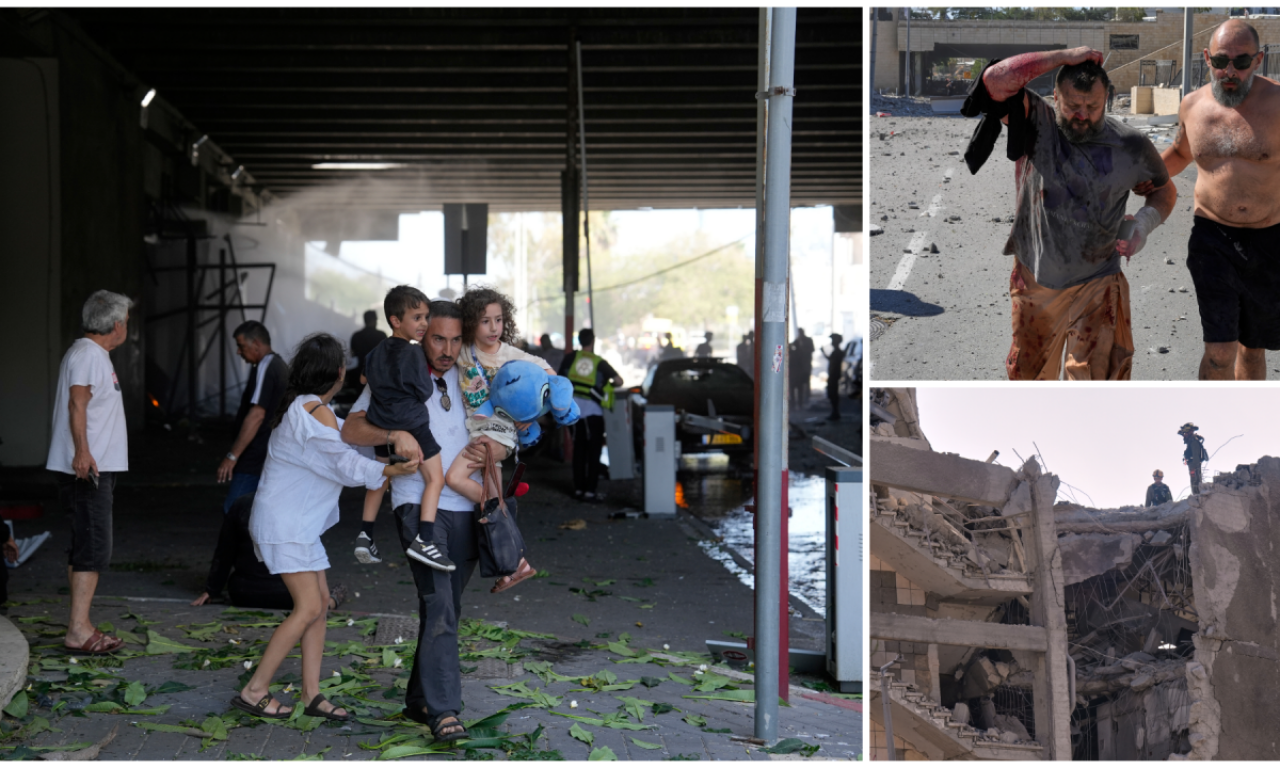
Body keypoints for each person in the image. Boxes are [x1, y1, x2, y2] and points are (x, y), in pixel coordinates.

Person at [342, 299, 508, 742]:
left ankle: (419, 698)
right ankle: (445, 711)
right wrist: (392, 433)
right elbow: (351, 429)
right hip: (418, 505)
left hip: (471, 509)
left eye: (456, 339)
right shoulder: (396, 373)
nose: (447, 349)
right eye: (438, 338)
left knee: (447, 607)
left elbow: (509, 425)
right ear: (421, 333)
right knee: (438, 604)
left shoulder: (474, 376)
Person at [234, 333, 419, 721]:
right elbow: (347, 465)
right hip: (286, 526)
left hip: (296, 526)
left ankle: (311, 694)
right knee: (308, 608)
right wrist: (390, 468)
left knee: (318, 609)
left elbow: (349, 443)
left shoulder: (312, 408)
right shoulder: (313, 414)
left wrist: (381, 430)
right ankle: (255, 690)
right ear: (339, 372)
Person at [963, 48, 1177, 380]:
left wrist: (1143, 226)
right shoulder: (1037, 123)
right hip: (1036, 279)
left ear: (1107, 99)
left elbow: (1163, 191)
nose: (1082, 115)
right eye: (1072, 106)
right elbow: (995, 81)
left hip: (1099, 280)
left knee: (1095, 383)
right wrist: (1064, 56)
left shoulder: (1131, 146)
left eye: (1092, 107)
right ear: (1055, 98)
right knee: (1029, 380)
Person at [1148, 21, 1280, 380]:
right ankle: (1207, 415)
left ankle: (1246, 421)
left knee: (1253, 350)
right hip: (1212, 240)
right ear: (1207, 58)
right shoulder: (1192, 106)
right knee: (1220, 352)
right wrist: (1132, 180)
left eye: (1241, 61)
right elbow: (1179, 153)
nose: (1229, 71)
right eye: (1221, 61)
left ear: (1258, 60)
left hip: (1270, 241)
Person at [451, 285, 556, 591]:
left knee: (455, 478)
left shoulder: (513, 355)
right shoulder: (462, 350)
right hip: (479, 429)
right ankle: (515, 565)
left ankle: (498, 521)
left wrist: (531, 414)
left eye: (498, 320)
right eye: (485, 321)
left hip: (496, 433)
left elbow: (551, 380)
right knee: (495, 497)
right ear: (471, 322)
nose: (494, 328)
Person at [46, 290, 132, 656]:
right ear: (117, 324)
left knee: (85, 544)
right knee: (94, 547)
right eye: (126, 320)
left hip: (91, 466)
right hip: (88, 469)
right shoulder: (87, 355)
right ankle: (78, 630)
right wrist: (82, 452)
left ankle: (79, 624)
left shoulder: (92, 354)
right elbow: (77, 401)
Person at [362, 286, 452, 571]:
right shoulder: (414, 354)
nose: (424, 323)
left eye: (426, 317)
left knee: (380, 477)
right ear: (395, 320)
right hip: (412, 425)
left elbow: (367, 381)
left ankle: (365, 534)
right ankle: (425, 540)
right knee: (436, 479)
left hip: (380, 422)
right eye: (417, 317)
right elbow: (424, 391)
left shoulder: (374, 352)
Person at [192, 492, 348, 610]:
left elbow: (225, 552)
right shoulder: (301, 506)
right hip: (292, 595)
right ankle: (328, 602)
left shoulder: (242, 503)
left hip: (244, 593)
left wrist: (212, 590)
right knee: (333, 589)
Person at [217, 321, 289, 514]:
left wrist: (233, 456)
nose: (238, 352)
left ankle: (238, 545)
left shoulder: (266, 366)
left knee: (235, 509)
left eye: (241, 346)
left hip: (256, 454)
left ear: (256, 344)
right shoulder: (278, 365)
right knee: (258, 511)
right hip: (270, 452)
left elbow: (257, 414)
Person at [558, 328, 624, 501]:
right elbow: (619, 381)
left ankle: (578, 489)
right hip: (594, 413)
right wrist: (604, 384)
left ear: (579, 341)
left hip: (573, 412)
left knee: (578, 449)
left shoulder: (570, 358)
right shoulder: (599, 362)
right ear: (592, 341)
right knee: (593, 452)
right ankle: (590, 490)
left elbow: (559, 380)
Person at [349, 309, 387, 387]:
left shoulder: (356, 336)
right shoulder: (381, 336)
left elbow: (353, 354)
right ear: (374, 320)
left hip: (358, 373)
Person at [1179, 422, 1209, 495]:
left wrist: (1194, 468)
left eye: (1185, 433)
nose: (1184, 436)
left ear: (1189, 432)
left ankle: (1197, 496)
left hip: (1194, 467)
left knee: (1195, 483)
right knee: (1194, 482)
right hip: (1192, 466)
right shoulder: (1191, 442)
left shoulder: (1193, 442)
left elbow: (1196, 458)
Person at [824, 333, 846, 422]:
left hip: (834, 376)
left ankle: (835, 413)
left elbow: (833, 363)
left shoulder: (838, 352)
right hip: (833, 376)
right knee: (832, 394)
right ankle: (835, 413)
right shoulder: (837, 352)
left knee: (833, 395)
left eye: (833, 340)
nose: (832, 342)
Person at [790, 328, 815, 409]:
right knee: (797, 388)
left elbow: (811, 350)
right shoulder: (796, 348)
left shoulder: (807, 341)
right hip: (798, 372)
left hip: (803, 369)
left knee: (804, 385)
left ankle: (804, 400)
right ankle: (797, 403)